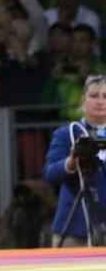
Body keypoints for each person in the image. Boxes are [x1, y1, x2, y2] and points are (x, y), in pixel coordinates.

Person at [43, 75, 106, 247]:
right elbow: (49, 174)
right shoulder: (68, 133)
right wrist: (70, 162)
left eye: (105, 96)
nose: (100, 101)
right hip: (75, 228)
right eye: (94, 96)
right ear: (83, 100)